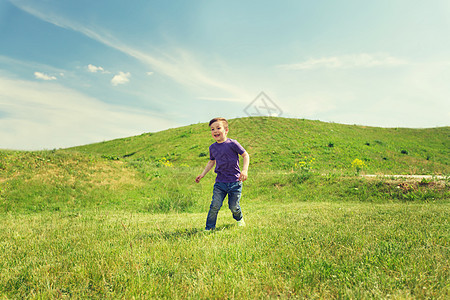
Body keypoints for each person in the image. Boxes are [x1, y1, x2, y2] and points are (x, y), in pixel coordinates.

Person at [195, 117, 250, 230]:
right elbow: (211, 161)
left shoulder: (233, 143)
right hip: (220, 182)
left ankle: (239, 219)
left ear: (226, 130)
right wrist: (202, 174)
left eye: (218, 128)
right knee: (214, 205)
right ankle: (209, 228)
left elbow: (245, 155)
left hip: (235, 182)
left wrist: (244, 170)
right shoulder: (212, 147)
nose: (215, 131)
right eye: (212, 129)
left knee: (234, 206)